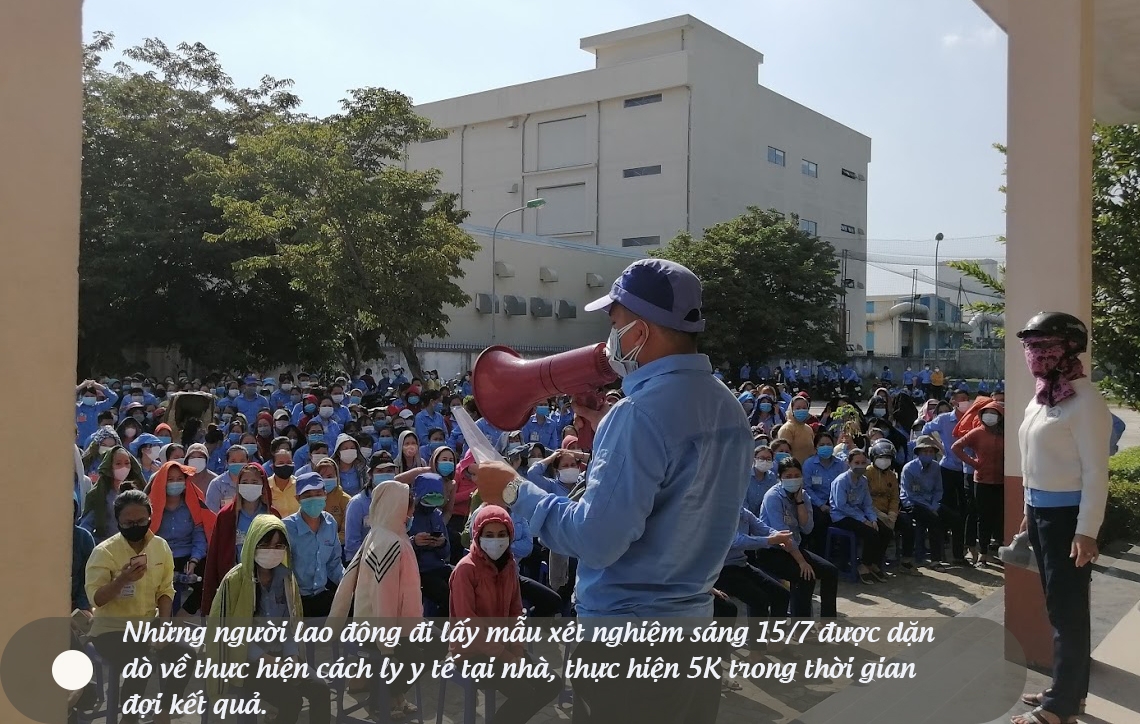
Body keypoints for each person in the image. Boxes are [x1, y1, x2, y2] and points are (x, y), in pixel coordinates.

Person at [473, 258, 746, 724]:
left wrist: (515, 491)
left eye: (615, 322)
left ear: (641, 331)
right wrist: (607, 434)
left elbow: (596, 540)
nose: (610, 336)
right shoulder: (727, 405)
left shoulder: (639, 413)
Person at [1013, 312, 1110, 724]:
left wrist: (1087, 530)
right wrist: (1025, 511)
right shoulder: (1045, 397)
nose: (1036, 353)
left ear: (1070, 348)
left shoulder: (1085, 401)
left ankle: (1062, 708)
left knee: (1068, 612)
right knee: (1058, 608)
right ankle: (1068, 692)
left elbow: (1095, 471)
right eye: (1031, 345)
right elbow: (1035, 460)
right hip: (1041, 513)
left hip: (1068, 518)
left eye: (1045, 345)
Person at [205, 515, 331, 724]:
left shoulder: (286, 578)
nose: (272, 550)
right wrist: (266, 660)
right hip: (246, 661)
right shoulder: (234, 581)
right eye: (265, 544)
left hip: (282, 658)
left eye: (278, 545)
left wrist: (291, 657)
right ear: (253, 542)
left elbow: (291, 626)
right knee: (291, 700)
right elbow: (227, 634)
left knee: (321, 689)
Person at [84, 489, 195, 724]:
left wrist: (164, 627)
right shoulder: (104, 552)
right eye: (129, 522)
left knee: (186, 655)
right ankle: (129, 718)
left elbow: (166, 591)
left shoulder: (161, 547)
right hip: (111, 630)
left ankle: (163, 714)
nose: (135, 526)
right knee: (141, 662)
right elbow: (97, 599)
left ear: (150, 517)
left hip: (148, 625)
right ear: (119, 521)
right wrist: (122, 580)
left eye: (141, 521)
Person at [449, 505, 562, 724]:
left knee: (551, 683)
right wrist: (506, 657)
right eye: (489, 535)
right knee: (525, 692)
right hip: (473, 654)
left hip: (507, 649)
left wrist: (517, 651)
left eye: (502, 535)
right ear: (477, 535)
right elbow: (468, 624)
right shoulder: (465, 570)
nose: (496, 541)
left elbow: (515, 611)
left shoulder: (509, 565)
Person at [330, 480, 427, 720]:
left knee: (432, 644)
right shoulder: (389, 543)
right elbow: (383, 596)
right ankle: (381, 700)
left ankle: (394, 695)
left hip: (394, 624)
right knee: (419, 655)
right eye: (408, 507)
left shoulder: (386, 534)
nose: (411, 513)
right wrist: (387, 646)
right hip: (381, 630)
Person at [758, 457, 840, 617]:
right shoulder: (773, 497)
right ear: (780, 478)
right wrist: (802, 562)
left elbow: (807, 528)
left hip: (794, 547)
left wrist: (800, 502)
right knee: (805, 576)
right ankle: (802, 628)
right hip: (771, 550)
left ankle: (827, 621)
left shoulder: (803, 496)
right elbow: (782, 536)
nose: (793, 479)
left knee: (830, 572)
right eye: (788, 476)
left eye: (796, 475)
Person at [201, 463, 280, 613]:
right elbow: (214, 557)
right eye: (245, 482)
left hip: (266, 584)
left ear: (263, 485)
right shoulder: (226, 516)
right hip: (235, 583)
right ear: (238, 485)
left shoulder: (272, 515)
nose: (249, 485)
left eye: (255, 482)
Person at [146, 460, 215, 615]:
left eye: (179, 479)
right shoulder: (151, 506)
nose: (175, 483)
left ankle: (183, 614)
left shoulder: (192, 505)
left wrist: (194, 559)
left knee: (209, 582)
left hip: (187, 555)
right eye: (170, 480)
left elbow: (199, 534)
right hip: (160, 557)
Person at [922, 387, 973, 566]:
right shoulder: (944, 419)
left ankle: (961, 552)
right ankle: (941, 549)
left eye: (966, 398)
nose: (964, 401)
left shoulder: (973, 418)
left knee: (965, 510)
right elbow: (925, 430)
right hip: (948, 469)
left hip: (968, 470)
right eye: (960, 398)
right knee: (946, 508)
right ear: (953, 402)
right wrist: (938, 446)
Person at [952, 399, 1006, 566]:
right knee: (983, 517)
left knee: (1000, 516)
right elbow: (956, 447)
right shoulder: (977, 432)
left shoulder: (1006, 433)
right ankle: (983, 552)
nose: (990, 416)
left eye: (994, 413)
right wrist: (974, 463)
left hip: (1002, 481)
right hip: (982, 481)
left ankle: (999, 549)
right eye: (987, 413)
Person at [900, 436, 963, 567]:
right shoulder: (909, 469)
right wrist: (929, 508)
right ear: (918, 453)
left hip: (932, 502)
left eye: (930, 452)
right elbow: (910, 494)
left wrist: (934, 506)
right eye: (924, 452)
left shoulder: (936, 467)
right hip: (913, 504)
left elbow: (939, 490)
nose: (928, 454)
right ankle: (935, 560)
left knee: (957, 519)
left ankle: (958, 556)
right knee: (934, 521)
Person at [829, 448, 887, 584]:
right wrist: (863, 520)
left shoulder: (863, 481)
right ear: (849, 463)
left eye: (863, 462)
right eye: (856, 462)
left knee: (885, 530)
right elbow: (841, 505)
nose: (860, 466)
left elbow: (867, 503)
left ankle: (874, 563)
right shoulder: (841, 481)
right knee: (870, 533)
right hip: (841, 516)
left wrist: (872, 519)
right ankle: (863, 564)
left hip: (859, 513)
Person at [866, 439, 914, 574]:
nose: (884, 460)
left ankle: (906, 561)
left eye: (887, 457)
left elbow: (894, 496)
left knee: (908, 524)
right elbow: (865, 498)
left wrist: (892, 514)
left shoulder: (891, 475)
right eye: (881, 457)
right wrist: (879, 514)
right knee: (884, 531)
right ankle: (876, 563)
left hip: (889, 513)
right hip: (872, 512)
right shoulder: (867, 473)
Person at [80, 446, 147, 545]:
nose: (123, 467)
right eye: (118, 463)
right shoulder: (98, 495)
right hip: (106, 548)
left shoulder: (138, 492)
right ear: (109, 466)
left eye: (127, 463)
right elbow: (86, 526)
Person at [409, 472, 452, 615]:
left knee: (463, 581)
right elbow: (398, 547)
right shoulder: (408, 515)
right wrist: (415, 542)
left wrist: (441, 543)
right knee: (446, 595)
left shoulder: (437, 515)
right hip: (419, 571)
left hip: (438, 566)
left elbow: (446, 552)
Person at [800, 431, 843, 556]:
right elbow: (807, 488)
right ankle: (820, 554)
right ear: (816, 447)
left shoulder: (840, 464)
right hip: (815, 502)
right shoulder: (809, 464)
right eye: (822, 444)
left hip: (836, 502)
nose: (826, 447)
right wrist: (821, 505)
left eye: (828, 444)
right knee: (820, 521)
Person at [313, 456, 352, 546]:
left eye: (330, 476)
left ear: (337, 477)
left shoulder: (346, 500)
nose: (325, 480)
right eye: (321, 476)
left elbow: (345, 531)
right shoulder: (310, 499)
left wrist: (328, 544)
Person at [206, 444, 249, 513]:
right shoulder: (217, 484)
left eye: (242, 461)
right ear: (227, 462)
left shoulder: (252, 482)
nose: (238, 464)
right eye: (233, 461)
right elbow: (211, 513)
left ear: (247, 462)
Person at [777, 394, 816, 463]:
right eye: (798, 408)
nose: (802, 410)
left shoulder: (808, 429)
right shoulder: (787, 429)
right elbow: (785, 453)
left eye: (804, 408)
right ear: (792, 410)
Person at [268, 447, 300, 517]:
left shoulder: (300, 485)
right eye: (281, 463)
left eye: (289, 462)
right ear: (273, 466)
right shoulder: (265, 486)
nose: (285, 466)